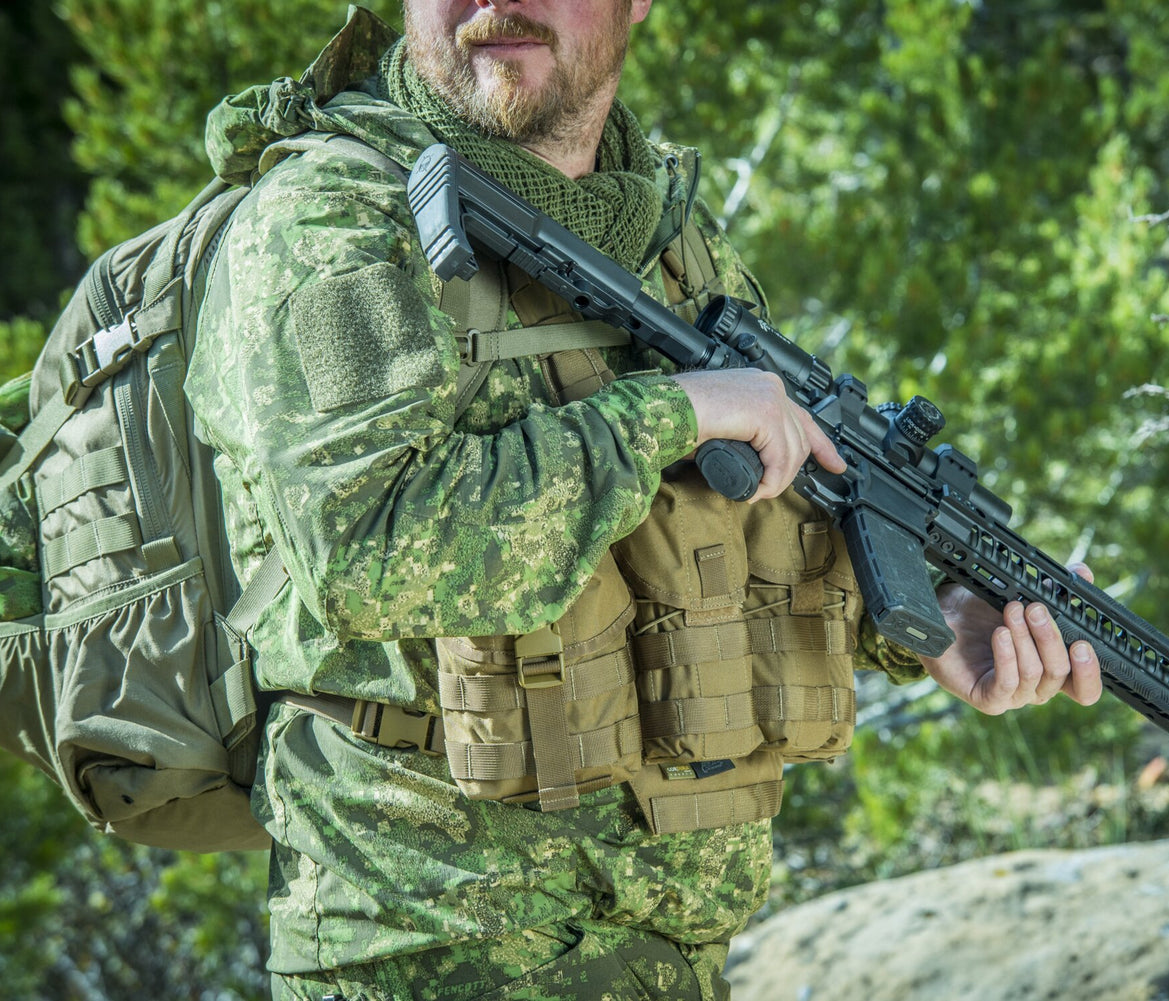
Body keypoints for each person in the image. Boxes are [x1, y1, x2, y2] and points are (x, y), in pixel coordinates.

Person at [187, 2, 1103, 998]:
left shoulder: (667, 233)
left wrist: (925, 620)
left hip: (671, 947)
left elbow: (713, 538)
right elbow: (370, 551)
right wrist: (671, 414)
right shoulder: (329, 219)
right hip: (435, 943)